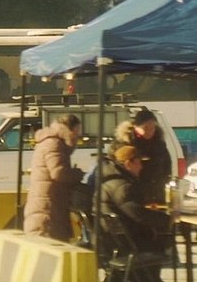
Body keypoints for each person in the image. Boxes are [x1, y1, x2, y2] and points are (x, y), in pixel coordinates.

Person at [99, 145, 169, 279]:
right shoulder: (122, 186)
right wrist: (167, 219)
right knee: (161, 241)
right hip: (127, 243)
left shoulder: (110, 180)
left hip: (112, 240)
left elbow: (132, 209)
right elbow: (138, 215)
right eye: (138, 163)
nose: (141, 167)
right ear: (128, 164)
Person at [23, 113, 85, 242]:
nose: (78, 135)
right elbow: (58, 173)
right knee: (49, 243)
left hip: (46, 204)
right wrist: (79, 173)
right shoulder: (54, 144)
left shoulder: (49, 142)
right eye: (77, 131)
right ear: (71, 129)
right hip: (48, 208)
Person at [112, 108, 171, 204]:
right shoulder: (124, 143)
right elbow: (116, 167)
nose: (149, 132)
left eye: (152, 128)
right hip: (131, 192)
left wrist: (163, 183)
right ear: (135, 127)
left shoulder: (159, 143)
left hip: (156, 193)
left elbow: (167, 166)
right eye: (145, 128)